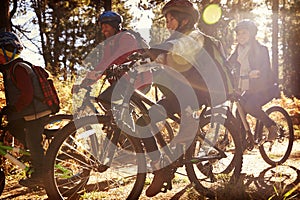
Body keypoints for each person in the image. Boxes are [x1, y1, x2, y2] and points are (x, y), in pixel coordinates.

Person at [135, 0, 230, 197]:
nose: (167, 24)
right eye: (167, 20)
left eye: (171, 20)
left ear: (185, 20)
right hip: (180, 94)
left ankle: (170, 165)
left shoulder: (194, 38)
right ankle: (160, 169)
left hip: (200, 94)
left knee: (180, 133)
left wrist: (148, 51)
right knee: (142, 122)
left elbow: (171, 47)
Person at [0, 32, 51, 187]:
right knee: (14, 129)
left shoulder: (19, 68)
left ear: (8, 51)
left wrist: (13, 108)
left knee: (33, 141)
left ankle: (41, 174)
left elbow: (27, 95)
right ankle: (34, 161)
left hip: (36, 112)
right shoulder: (10, 70)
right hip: (28, 113)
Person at [73, 11, 151, 108]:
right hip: (125, 82)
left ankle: (125, 122)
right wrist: (85, 82)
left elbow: (117, 58)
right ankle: (121, 122)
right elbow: (103, 63)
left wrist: (101, 71)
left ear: (114, 26)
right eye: (102, 28)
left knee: (106, 100)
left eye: (106, 27)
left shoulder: (127, 38)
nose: (103, 30)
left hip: (139, 81)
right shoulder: (109, 45)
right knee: (106, 103)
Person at [227, 19, 280, 143]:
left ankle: (272, 126)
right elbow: (227, 64)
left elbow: (265, 67)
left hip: (266, 87)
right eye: (239, 34)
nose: (241, 36)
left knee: (250, 106)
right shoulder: (237, 52)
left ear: (251, 34)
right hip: (250, 89)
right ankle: (243, 141)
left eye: (244, 33)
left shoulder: (261, 49)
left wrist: (257, 72)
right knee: (239, 110)